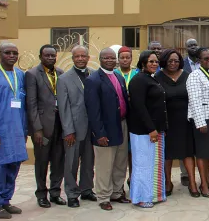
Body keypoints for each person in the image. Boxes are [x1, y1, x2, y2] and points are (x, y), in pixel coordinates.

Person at [84, 48, 131, 211]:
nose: (110, 60)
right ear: (100, 59)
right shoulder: (93, 80)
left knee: (120, 161)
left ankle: (117, 192)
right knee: (105, 164)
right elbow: (93, 110)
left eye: (112, 58)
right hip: (105, 128)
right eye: (106, 58)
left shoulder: (118, 76)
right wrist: (99, 133)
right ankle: (103, 196)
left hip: (122, 124)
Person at [25, 44, 66, 208]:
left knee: (58, 161)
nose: (50, 58)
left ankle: (55, 193)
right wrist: (37, 129)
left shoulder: (61, 73)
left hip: (60, 125)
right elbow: (31, 103)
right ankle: (41, 194)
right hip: (43, 127)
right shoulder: (32, 74)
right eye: (47, 55)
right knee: (42, 162)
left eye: (53, 56)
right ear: (40, 56)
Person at [155, 49, 198, 197]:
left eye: (176, 61)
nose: (173, 63)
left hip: (185, 121)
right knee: (167, 154)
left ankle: (192, 183)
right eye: (170, 61)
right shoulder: (158, 77)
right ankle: (167, 182)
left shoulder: (187, 76)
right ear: (165, 61)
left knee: (187, 152)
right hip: (166, 120)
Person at [57, 45, 96, 208]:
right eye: (77, 56)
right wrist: (68, 131)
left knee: (89, 161)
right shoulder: (64, 79)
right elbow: (63, 108)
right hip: (73, 129)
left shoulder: (94, 75)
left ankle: (87, 189)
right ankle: (72, 193)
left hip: (92, 128)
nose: (80, 59)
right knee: (72, 162)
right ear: (72, 59)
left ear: (88, 58)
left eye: (83, 56)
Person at [128, 50, 167, 208]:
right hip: (143, 131)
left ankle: (153, 194)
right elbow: (139, 107)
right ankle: (141, 198)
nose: (154, 64)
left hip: (155, 129)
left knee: (153, 164)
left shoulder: (151, 78)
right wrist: (151, 129)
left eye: (156, 62)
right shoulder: (138, 80)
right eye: (151, 61)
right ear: (143, 63)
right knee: (142, 165)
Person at [0, 42, 28, 219]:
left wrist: (25, 130)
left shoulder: (20, 75)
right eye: (7, 52)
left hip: (17, 130)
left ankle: (6, 200)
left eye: (15, 53)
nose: (12, 56)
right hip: (0, 131)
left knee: (13, 166)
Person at [187, 48, 209, 198]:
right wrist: (200, 123)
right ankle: (203, 184)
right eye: (205, 58)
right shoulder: (195, 76)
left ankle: (207, 180)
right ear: (198, 61)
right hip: (203, 120)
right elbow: (194, 101)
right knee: (202, 153)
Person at [180, 38, 200, 187]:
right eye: (190, 45)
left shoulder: (204, 62)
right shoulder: (182, 64)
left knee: (201, 141)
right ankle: (185, 174)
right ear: (186, 48)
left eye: (195, 45)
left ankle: (205, 172)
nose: (193, 47)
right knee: (185, 142)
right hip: (185, 107)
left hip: (203, 107)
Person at [114, 46, 136, 187]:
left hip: (134, 117)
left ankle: (133, 179)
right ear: (118, 59)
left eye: (127, 57)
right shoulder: (114, 74)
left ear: (131, 59)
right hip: (119, 117)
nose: (125, 60)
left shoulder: (137, 73)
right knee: (120, 153)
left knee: (132, 151)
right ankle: (118, 184)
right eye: (122, 57)